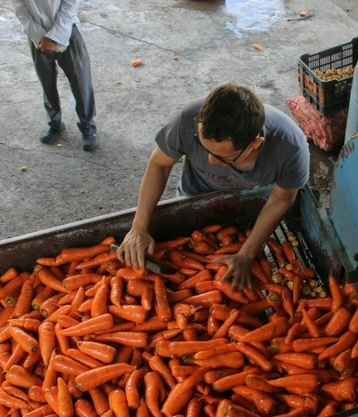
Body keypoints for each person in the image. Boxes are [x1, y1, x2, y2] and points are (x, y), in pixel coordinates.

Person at [116, 83, 310, 292]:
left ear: (254, 144)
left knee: (241, 267)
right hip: (195, 190)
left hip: (252, 201)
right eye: (202, 145)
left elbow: (281, 199)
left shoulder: (290, 148)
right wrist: (139, 228)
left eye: (221, 157)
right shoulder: (184, 121)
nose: (209, 159)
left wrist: (246, 254)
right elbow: (159, 165)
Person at [11, 0, 99, 151]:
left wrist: (55, 36)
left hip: (66, 30)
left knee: (80, 82)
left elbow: (70, 4)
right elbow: (21, 10)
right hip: (38, 37)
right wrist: (40, 37)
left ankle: (88, 127)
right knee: (47, 83)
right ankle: (54, 123)